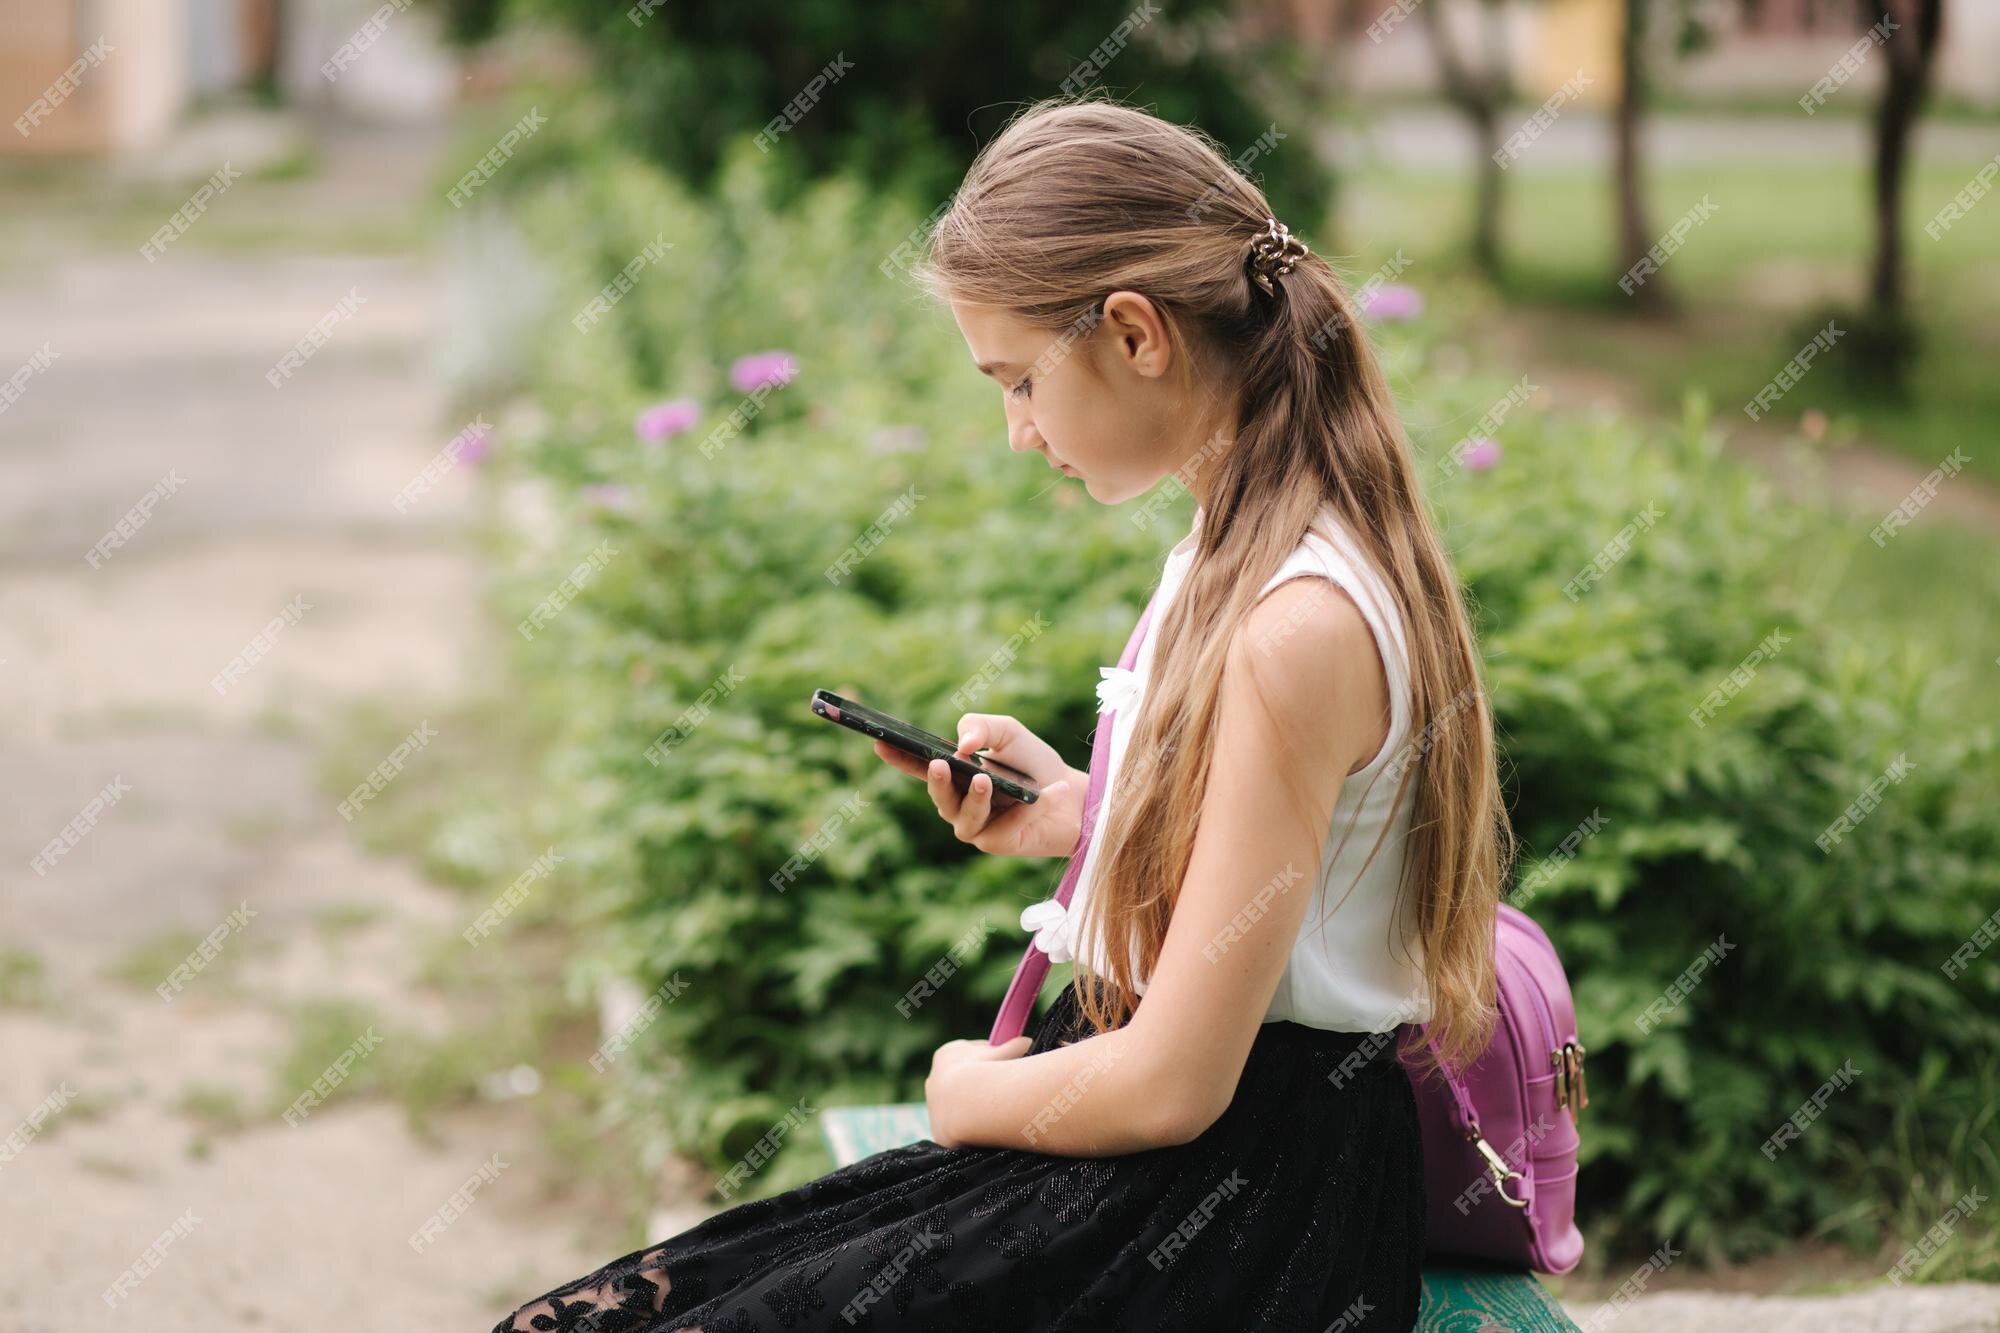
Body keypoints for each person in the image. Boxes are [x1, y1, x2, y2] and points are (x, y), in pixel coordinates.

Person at [491, 95, 1509, 1333]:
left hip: (1227, 1202)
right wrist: (1084, 813)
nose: (1016, 431)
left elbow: (1175, 1083)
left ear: (1135, 333)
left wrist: (962, 1099)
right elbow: (1282, 873)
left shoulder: (1294, 621)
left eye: (1019, 379)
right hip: (1171, 1152)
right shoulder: (1245, 540)